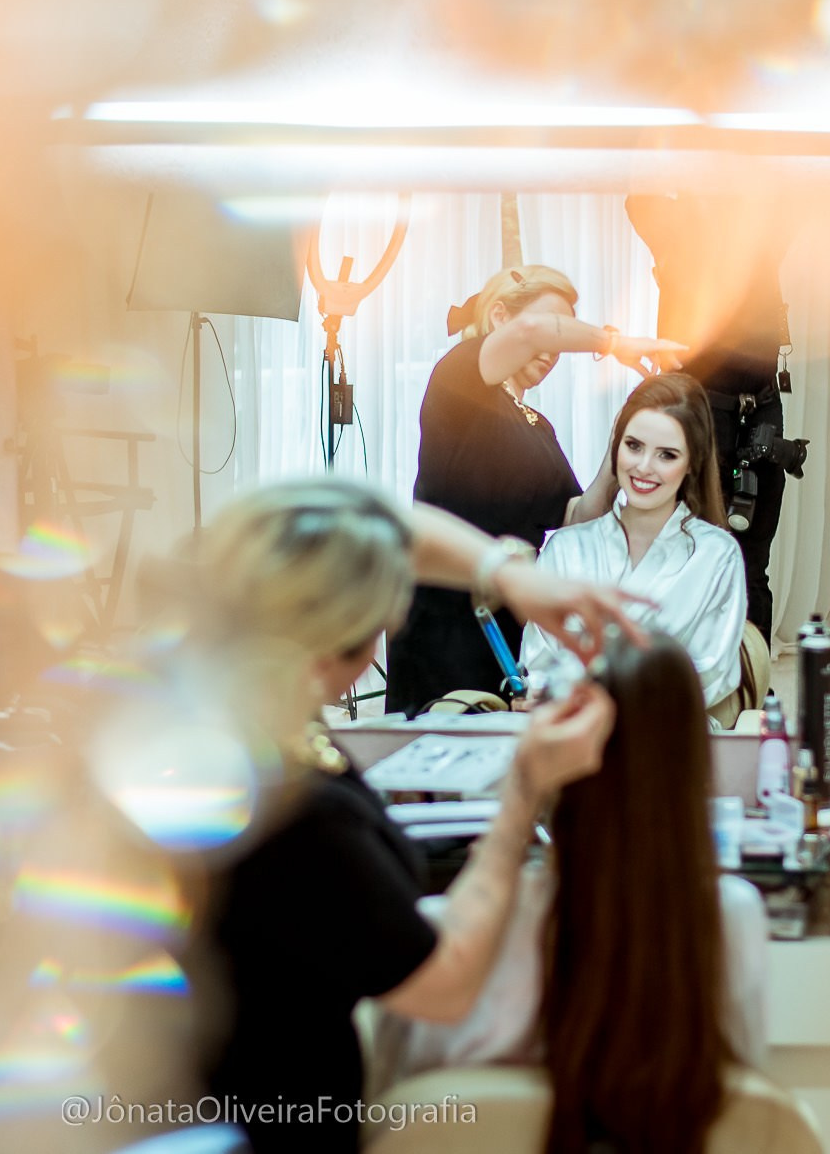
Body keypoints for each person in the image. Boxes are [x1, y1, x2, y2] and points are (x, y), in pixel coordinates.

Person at [177, 478, 625, 1154]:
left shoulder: (215, 721)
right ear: (333, 653)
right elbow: (442, 986)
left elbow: (381, 529)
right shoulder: (293, 812)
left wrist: (507, 576)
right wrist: (523, 795)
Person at [378, 633, 769, 1154]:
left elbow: (395, 1120)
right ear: (692, 760)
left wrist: (520, 796)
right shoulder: (732, 922)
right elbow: (746, 1113)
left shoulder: (447, 936)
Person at [386, 265, 670, 714]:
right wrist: (615, 343)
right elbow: (534, 330)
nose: (555, 350)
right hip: (445, 607)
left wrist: (619, 449)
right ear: (500, 317)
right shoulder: (460, 377)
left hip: (509, 610)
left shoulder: (540, 427)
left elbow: (575, 516)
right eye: (555, 335)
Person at [625, 194, 805, 642]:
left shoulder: (764, 223)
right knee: (693, 553)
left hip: (761, 410)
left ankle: (750, 685)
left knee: (752, 564)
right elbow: (638, 197)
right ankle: (693, 684)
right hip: (702, 410)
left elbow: (795, 187)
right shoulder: (676, 224)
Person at [521, 374, 747, 713]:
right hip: (571, 739)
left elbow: (709, 676)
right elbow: (539, 668)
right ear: (616, 446)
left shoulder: (717, 555)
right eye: (634, 446)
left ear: (692, 464)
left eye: (667, 455)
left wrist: (599, 699)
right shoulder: (565, 549)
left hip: (668, 744)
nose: (643, 467)